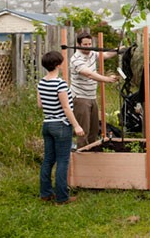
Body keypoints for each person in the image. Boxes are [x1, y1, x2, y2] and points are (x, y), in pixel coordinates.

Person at [37, 51, 85, 205]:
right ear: (58, 64)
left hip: (47, 124)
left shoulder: (41, 82)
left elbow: (40, 105)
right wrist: (76, 125)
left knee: (48, 160)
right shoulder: (60, 83)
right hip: (61, 125)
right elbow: (66, 107)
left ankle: (45, 193)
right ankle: (62, 197)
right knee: (63, 161)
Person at [70, 32, 119, 148]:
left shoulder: (92, 53)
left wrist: (119, 50)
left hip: (91, 97)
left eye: (89, 44)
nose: (88, 47)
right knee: (83, 131)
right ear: (78, 44)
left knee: (94, 130)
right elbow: (90, 74)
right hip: (80, 98)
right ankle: (81, 155)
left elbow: (106, 55)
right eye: (85, 45)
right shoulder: (75, 59)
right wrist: (107, 79)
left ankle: (92, 152)